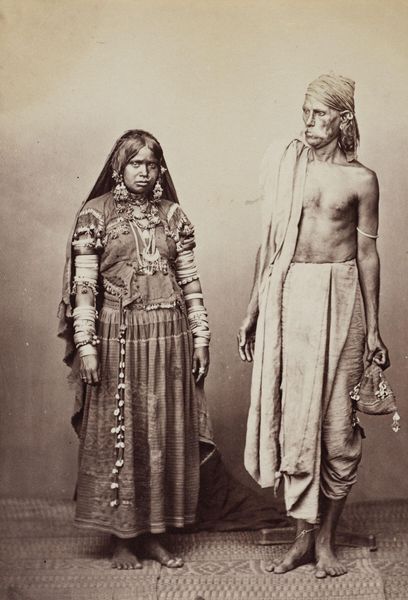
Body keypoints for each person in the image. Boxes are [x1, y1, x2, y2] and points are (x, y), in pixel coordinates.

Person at [238, 74, 390, 577]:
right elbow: (270, 243)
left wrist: (373, 328)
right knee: (293, 420)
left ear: (343, 119)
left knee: (338, 429)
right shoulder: (290, 166)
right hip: (289, 298)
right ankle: (302, 538)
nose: (308, 122)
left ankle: (326, 541)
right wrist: (253, 308)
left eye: (319, 114)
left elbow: (367, 253)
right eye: (305, 112)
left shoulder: (362, 179)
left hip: (341, 298)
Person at [58, 130, 213, 569]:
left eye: (151, 164)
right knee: (120, 434)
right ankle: (123, 538)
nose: (144, 172)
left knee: (162, 434)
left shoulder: (173, 216)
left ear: (160, 169)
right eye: (136, 164)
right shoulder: (95, 215)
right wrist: (86, 345)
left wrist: (201, 337)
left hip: (170, 336)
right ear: (119, 168)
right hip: (118, 337)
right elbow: (84, 285)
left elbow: (190, 281)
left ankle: (155, 535)